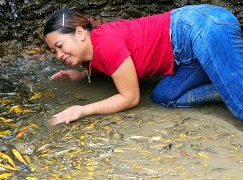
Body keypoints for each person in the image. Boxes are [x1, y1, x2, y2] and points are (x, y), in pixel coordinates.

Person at [43, 4, 243, 126]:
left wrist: (83, 109)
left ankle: (230, 85)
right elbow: (111, 66)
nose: (59, 55)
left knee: (240, 107)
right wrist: (80, 75)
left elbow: (130, 98)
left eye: (60, 46)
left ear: (79, 33)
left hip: (200, 26)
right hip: (190, 48)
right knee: (164, 97)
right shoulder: (90, 55)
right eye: (54, 51)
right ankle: (223, 86)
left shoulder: (105, 44)